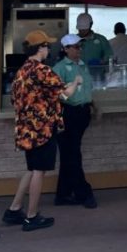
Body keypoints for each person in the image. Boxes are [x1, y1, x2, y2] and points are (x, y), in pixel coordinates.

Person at [2, 30, 75, 232]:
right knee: (39, 172)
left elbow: (14, 99)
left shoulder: (21, 71)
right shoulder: (42, 70)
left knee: (32, 169)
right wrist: (76, 82)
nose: (48, 49)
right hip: (42, 130)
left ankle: (14, 209)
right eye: (47, 46)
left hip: (25, 130)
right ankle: (32, 216)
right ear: (40, 48)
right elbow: (65, 93)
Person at [52, 34, 97, 208]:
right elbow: (57, 95)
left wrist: (93, 104)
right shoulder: (60, 68)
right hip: (67, 112)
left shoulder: (82, 65)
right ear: (66, 49)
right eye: (75, 47)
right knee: (72, 153)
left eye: (80, 47)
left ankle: (63, 194)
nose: (79, 50)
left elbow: (86, 89)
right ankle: (83, 192)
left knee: (69, 154)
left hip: (82, 111)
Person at [75, 12, 111, 84]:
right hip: (77, 79)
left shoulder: (101, 39)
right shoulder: (73, 41)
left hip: (97, 78)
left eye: (84, 29)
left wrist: (101, 61)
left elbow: (110, 56)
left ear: (91, 25)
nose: (82, 31)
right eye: (80, 29)